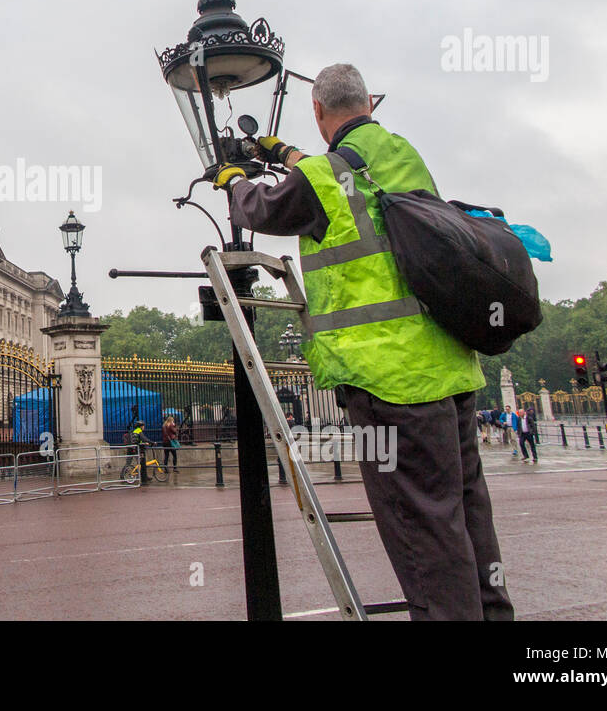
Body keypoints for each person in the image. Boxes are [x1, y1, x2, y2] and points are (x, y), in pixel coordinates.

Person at [213, 62, 513, 621]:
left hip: (387, 378)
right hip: (449, 368)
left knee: (425, 535)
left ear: (318, 110)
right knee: (469, 519)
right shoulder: (400, 153)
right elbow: (345, 173)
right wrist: (283, 154)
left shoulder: (324, 179)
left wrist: (233, 178)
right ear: (369, 105)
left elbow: (265, 208)